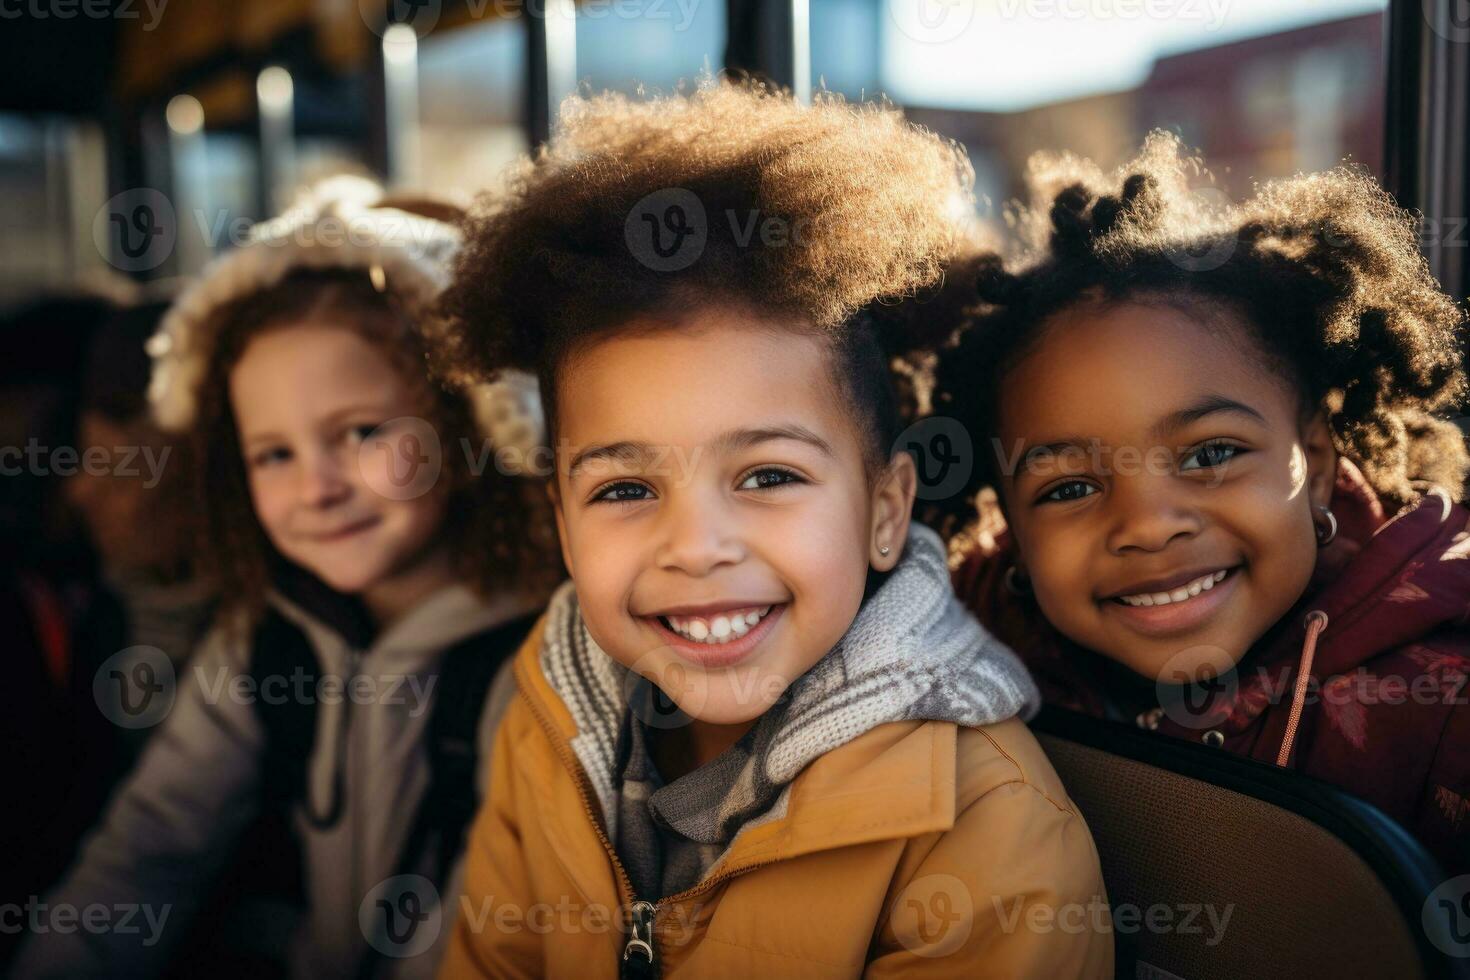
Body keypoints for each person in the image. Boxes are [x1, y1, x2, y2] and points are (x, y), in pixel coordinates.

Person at [433, 81, 1113, 977]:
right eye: (625, 489)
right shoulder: (552, 729)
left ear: (882, 511)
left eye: (767, 476)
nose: (696, 545)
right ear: (562, 525)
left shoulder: (984, 825)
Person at [14, 178, 561, 979]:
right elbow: (151, 849)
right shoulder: (267, 636)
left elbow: (490, 936)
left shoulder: (538, 662)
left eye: (363, 432)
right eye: (274, 454)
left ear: (470, 417)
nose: (317, 487)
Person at [935, 133, 1470, 874]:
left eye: (1211, 455)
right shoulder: (963, 650)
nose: (1149, 526)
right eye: (1069, 488)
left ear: (1315, 462)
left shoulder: (1445, 707)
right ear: (1011, 528)